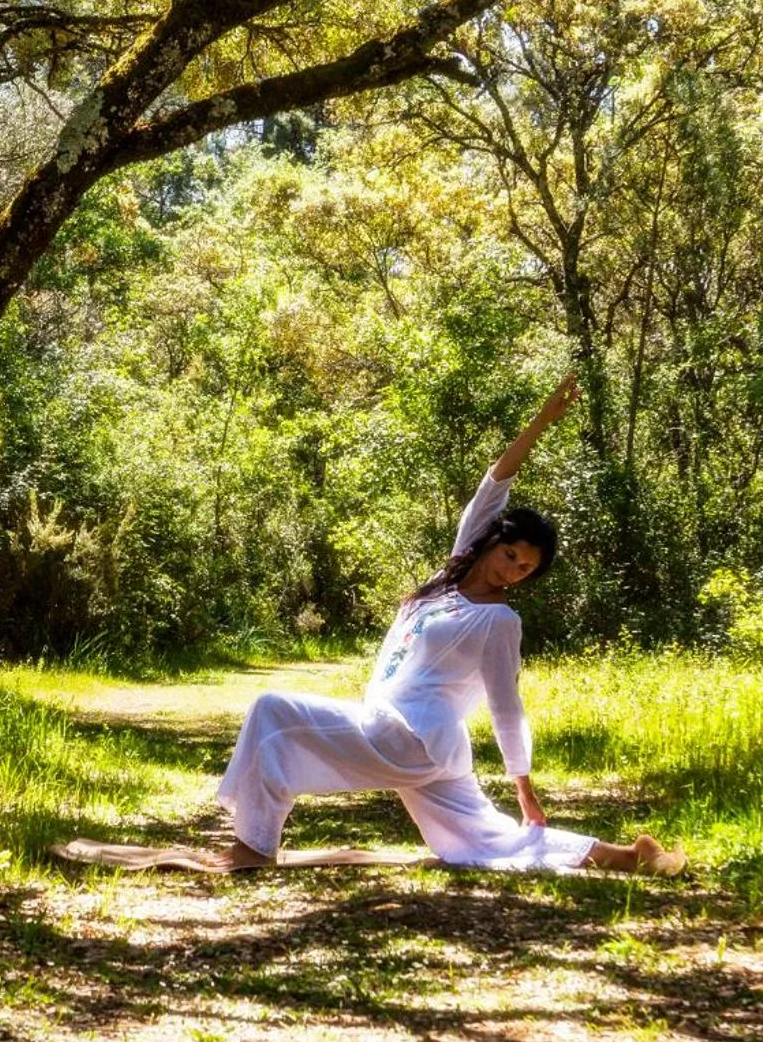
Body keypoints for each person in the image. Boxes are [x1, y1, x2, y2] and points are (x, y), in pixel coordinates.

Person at [213, 374, 686, 875]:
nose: (512, 570)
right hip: (423, 743)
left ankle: (256, 848)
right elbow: (493, 485)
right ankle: (629, 857)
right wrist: (542, 420)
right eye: (509, 555)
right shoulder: (449, 577)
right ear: (489, 543)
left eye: (525, 569)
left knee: (272, 712)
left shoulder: (499, 621)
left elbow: (507, 709)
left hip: (409, 738)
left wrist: (523, 786)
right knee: (485, 838)